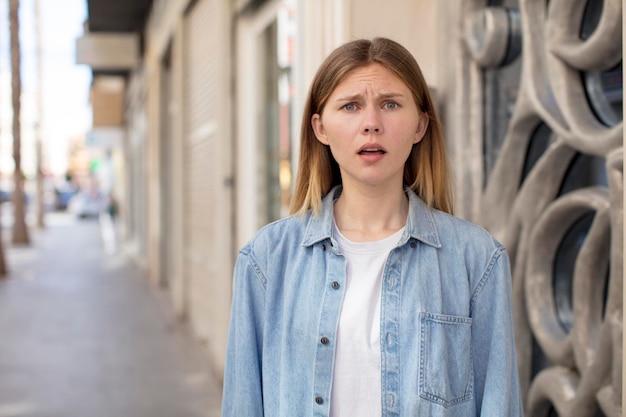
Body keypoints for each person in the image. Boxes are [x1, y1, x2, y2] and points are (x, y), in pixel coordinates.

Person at [221, 37, 523, 416]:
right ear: (320, 128)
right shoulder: (266, 260)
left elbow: (500, 404)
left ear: (420, 125)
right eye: (350, 106)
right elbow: (243, 405)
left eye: (390, 104)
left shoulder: (477, 260)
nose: (371, 124)